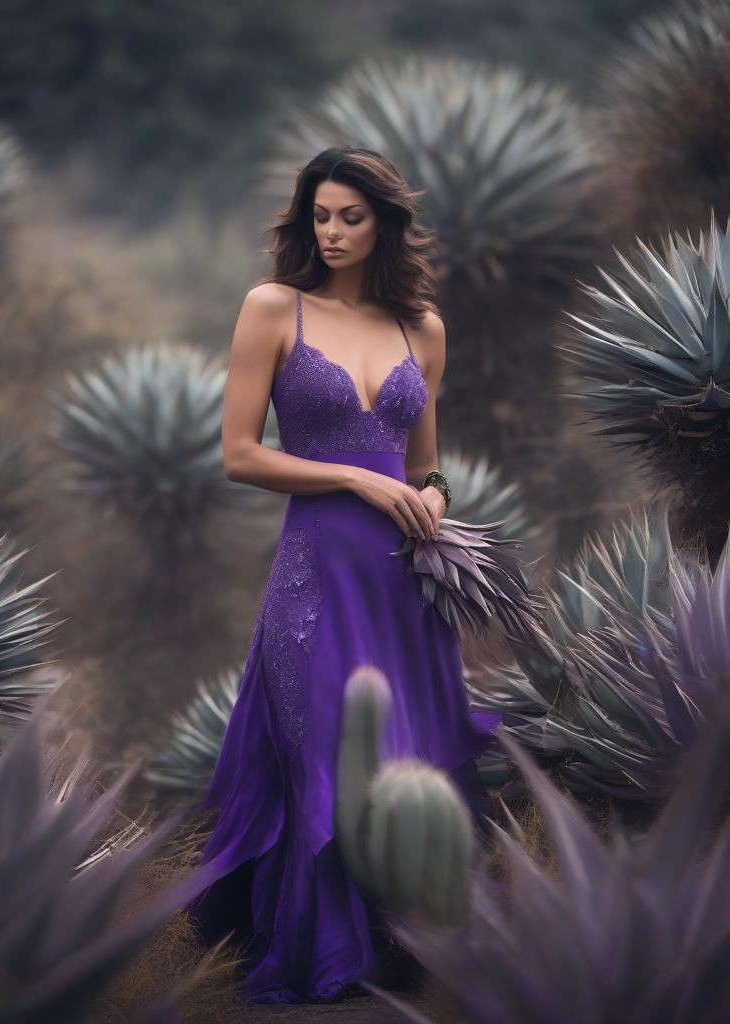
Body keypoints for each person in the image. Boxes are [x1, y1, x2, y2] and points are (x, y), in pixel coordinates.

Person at [183, 145, 503, 1004]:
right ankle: (328, 954)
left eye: (349, 217)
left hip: (405, 582)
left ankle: (412, 950)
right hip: (316, 575)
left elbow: (429, 465)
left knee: (409, 757)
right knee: (323, 750)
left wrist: (430, 497)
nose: (331, 232)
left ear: (384, 223)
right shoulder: (273, 309)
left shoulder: (421, 328)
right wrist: (357, 475)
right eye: (319, 215)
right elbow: (240, 455)